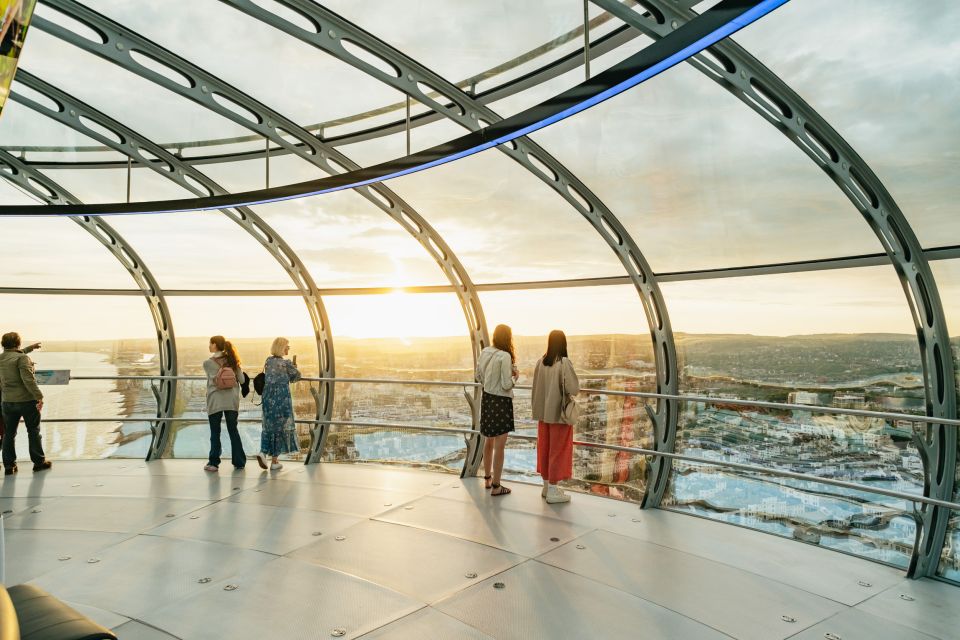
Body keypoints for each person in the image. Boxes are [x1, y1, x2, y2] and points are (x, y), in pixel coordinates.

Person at [531, 330, 580, 504]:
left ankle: (546, 486)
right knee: (558, 451)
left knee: (544, 448)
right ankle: (553, 489)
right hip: (559, 414)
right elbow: (573, 388)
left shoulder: (540, 362)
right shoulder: (564, 363)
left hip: (543, 414)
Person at [476, 324, 518, 496]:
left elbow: (479, 376)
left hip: (487, 399)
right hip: (501, 402)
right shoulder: (505, 355)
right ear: (508, 338)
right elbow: (506, 384)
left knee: (488, 441)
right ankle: (497, 486)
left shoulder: (485, 352)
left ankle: (487, 480)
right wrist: (515, 377)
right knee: (500, 446)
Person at [0, 332, 50, 475]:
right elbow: (28, 380)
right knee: (33, 431)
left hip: (7, 402)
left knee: (9, 434)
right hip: (27, 401)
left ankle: (9, 466)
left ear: (3, 344)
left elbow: (11, 356)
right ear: (18, 343)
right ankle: (39, 462)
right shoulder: (22, 358)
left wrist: (30, 348)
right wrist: (39, 397)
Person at [203, 336, 246, 472]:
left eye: (210, 343)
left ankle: (213, 463)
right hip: (231, 401)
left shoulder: (207, 363)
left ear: (215, 345)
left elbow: (213, 380)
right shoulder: (233, 361)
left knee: (215, 432)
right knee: (233, 430)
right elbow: (242, 380)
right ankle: (239, 462)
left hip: (215, 401)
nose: (209, 346)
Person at [257, 337, 301, 470]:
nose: (288, 348)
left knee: (269, 426)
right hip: (281, 400)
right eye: (287, 346)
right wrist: (294, 367)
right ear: (281, 347)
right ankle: (274, 462)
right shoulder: (286, 363)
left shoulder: (268, 361)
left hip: (268, 398)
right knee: (279, 429)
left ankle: (263, 452)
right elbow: (296, 376)